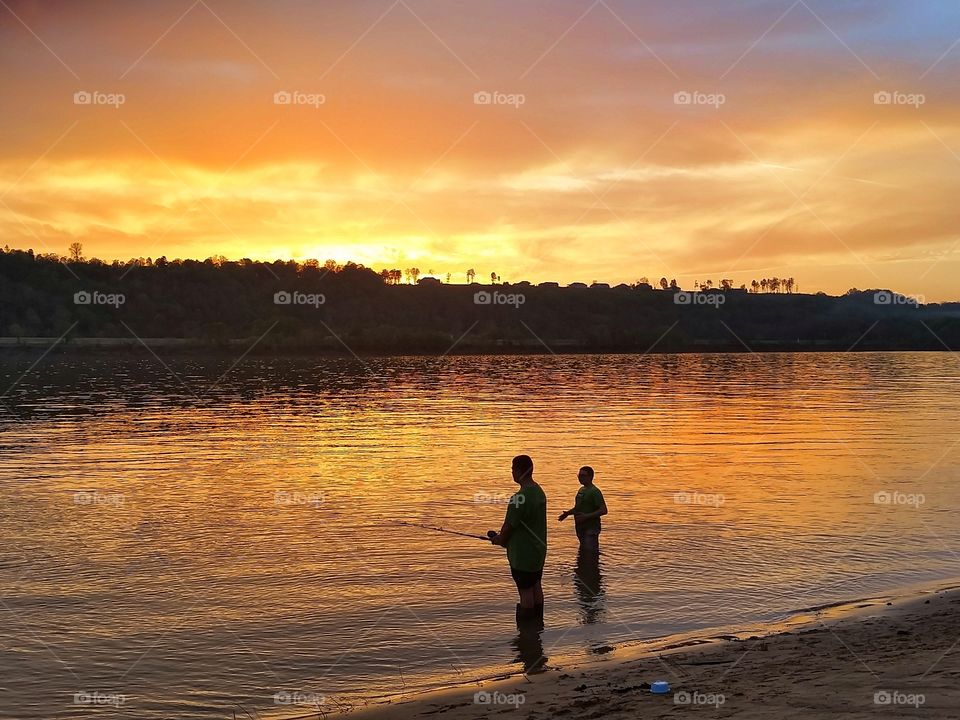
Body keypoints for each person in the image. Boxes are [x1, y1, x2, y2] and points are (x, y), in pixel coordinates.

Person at [489, 455, 547, 622]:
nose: (512, 472)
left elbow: (508, 528)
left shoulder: (518, 499)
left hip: (523, 555)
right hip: (538, 551)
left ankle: (527, 632)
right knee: (536, 585)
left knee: (525, 591)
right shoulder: (539, 491)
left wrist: (500, 540)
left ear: (520, 471)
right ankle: (538, 627)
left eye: (513, 469)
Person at [558, 465, 607, 551]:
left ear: (591, 477)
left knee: (591, 552)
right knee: (583, 551)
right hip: (580, 527)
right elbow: (578, 508)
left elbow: (604, 510)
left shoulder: (595, 491)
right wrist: (567, 514)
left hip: (591, 527)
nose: (580, 478)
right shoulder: (581, 490)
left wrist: (586, 516)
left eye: (583, 475)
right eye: (579, 475)